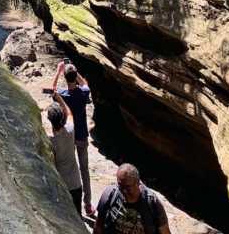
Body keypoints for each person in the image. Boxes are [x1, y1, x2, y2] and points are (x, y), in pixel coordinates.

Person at [48, 59, 95, 218]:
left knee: (69, 163)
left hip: (68, 134)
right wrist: (75, 72)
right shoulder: (83, 93)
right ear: (75, 77)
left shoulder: (62, 94)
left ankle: (69, 196)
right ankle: (88, 205)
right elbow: (85, 84)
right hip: (81, 134)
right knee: (85, 169)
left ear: (65, 77)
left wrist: (59, 70)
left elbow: (53, 89)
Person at [94, 163, 171, 234]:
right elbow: (98, 226)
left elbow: (164, 231)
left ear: (138, 183)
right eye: (120, 186)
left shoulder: (152, 202)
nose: (123, 191)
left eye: (127, 187)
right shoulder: (110, 194)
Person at [46, 100, 83, 215]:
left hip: (62, 186)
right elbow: (70, 113)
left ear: (49, 120)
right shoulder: (70, 130)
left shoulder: (50, 141)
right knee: (78, 216)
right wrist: (59, 98)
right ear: (63, 117)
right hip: (76, 182)